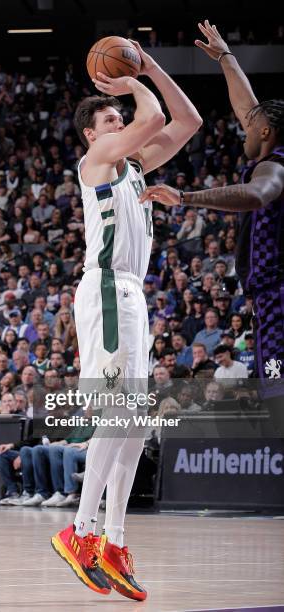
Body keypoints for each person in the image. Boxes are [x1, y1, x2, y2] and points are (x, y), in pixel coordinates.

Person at [51, 42, 202, 601]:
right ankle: (80, 531)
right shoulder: (97, 162)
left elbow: (187, 119)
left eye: (119, 116)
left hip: (134, 296)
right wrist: (129, 83)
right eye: (111, 119)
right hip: (108, 291)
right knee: (117, 416)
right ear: (94, 134)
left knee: (136, 423)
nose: (122, 120)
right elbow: (156, 115)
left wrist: (148, 68)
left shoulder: (134, 166)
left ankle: (113, 540)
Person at [140, 20, 284, 380]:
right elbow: (248, 107)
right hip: (270, 294)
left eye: (250, 126)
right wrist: (226, 58)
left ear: (265, 132)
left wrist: (186, 196)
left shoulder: (276, 167)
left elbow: (256, 194)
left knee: (278, 392)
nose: (243, 127)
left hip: (277, 294)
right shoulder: (270, 145)